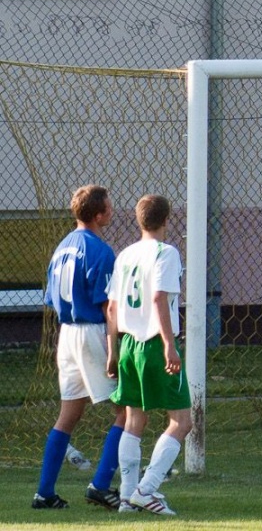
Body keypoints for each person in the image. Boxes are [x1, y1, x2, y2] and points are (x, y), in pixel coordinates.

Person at [33, 184, 126, 510]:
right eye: (109, 207)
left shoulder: (62, 247)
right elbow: (107, 306)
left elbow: (52, 298)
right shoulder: (100, 251)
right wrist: (114, 348)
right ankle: (100, 485)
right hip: (91, 332)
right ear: (98, 215)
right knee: (127, 411)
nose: (112, 210)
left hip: (67, 334)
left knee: (68, 415)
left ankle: (44, 493)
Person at [107, 194, 192, 515]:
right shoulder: (165, 252)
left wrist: (113, 351)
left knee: (134, 418)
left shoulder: (126, 254)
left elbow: (112, 307)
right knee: (182, 421)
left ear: (138, 219)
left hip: (128, 344)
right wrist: (169, 344)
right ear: (167, 220)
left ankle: (127, 497)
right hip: (155, 344)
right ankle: (147, 489)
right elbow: (158, 298)